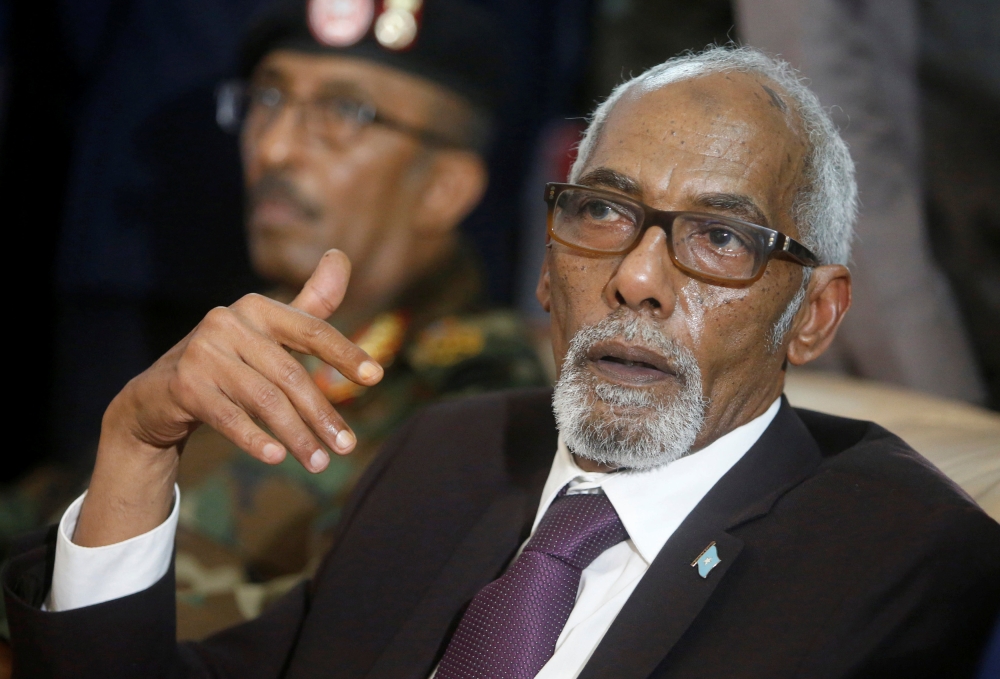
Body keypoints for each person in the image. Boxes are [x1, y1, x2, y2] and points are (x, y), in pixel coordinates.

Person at [5, 45, 1000, 678]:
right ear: (545, 265)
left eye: (716, 238)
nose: (638, 278)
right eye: (603, 213)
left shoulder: (892, 547)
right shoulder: (453, 454)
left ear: (815, 314)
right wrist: (136, 444)